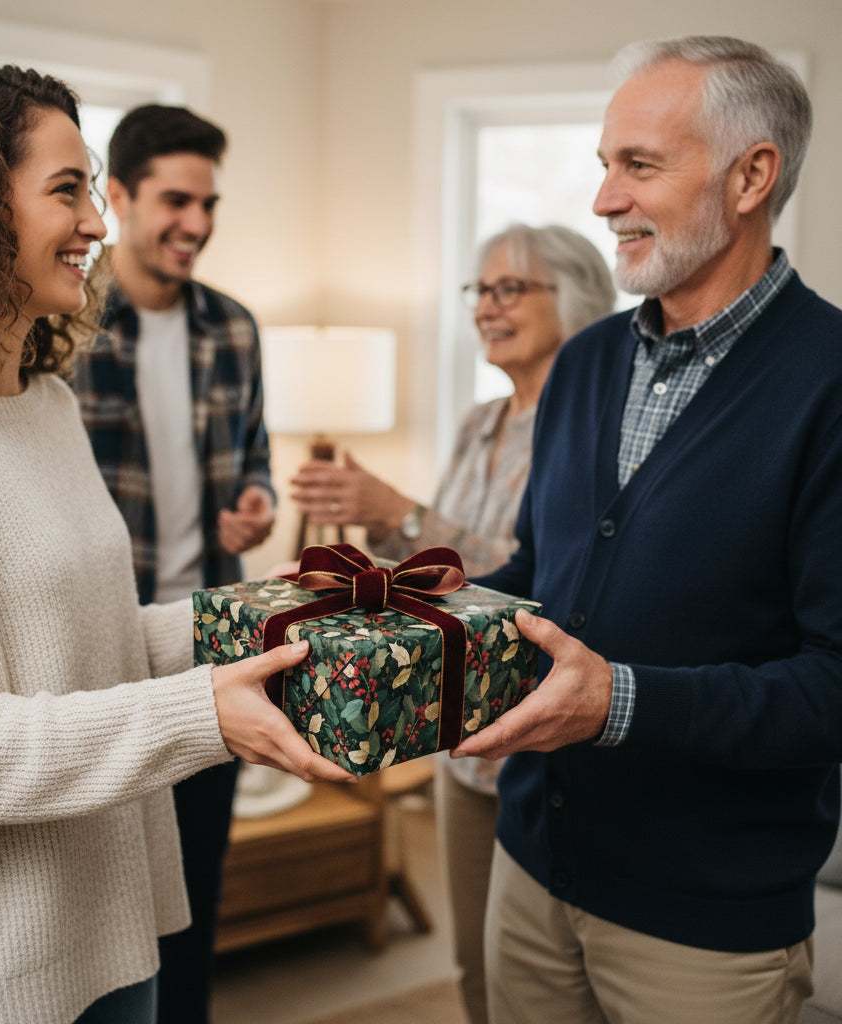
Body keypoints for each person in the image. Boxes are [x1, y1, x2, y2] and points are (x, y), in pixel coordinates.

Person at [0, 57, 350, 1024]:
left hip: (106, 932)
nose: (97, 225)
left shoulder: (46, 405)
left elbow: (87, 643)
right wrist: (201, 715)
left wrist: (270, 613)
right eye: (68, 191)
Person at [453, 35, 842, 1024]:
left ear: (751, 174)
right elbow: (547, 570)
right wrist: (423, 614)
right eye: (601, 166)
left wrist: (616, 702)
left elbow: (832, 684)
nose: (602, 202)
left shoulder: (828, 382)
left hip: (702, 926)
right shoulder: (583, 362)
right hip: (531, 866)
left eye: (638, 166)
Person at [290, 223, 614, 1024]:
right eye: (480, 290)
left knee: (558, 981)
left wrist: (399, 510)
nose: (487, 309)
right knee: (479, 962)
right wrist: (375, 528)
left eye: (510, 290)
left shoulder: (594, 433)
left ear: (573, 303)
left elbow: (540, 580)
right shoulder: (479, 423)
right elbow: (452, 577)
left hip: (545, 735)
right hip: (459, 739)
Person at [68, 103, 274, 1024]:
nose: (196, 223)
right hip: (103, 658)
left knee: (197, 886)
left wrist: (258, 497)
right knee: (107, 903)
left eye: (210, 204)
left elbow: (254, 449)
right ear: (117, 195)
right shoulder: (56, 326)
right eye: (176, 200)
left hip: (217, 643)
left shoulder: (234, 328)